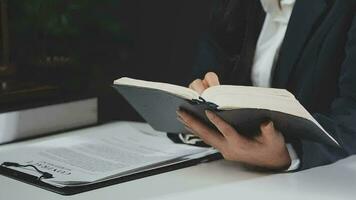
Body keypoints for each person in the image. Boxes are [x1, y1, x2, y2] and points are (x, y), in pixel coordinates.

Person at [176, 0, 356, 171]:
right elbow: (204, 75)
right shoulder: (237, 6)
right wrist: (202, 97)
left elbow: (351, 118)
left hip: (315, 181)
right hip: (227, 169)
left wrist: (290, 153)